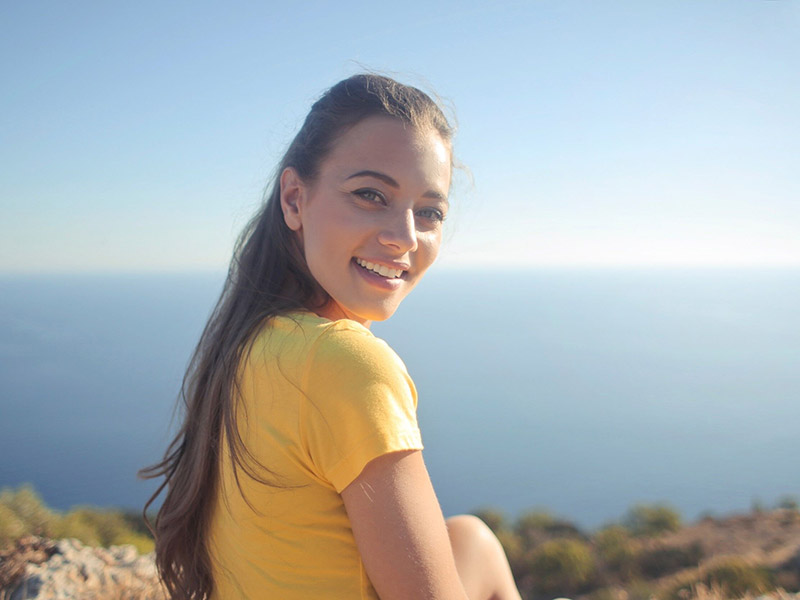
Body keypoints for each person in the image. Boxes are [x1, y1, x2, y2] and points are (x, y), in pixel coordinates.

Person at [141, 73, 521, 600]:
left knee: (472, 539)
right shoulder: (346, 363)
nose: (404, 237)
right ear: (295, 198)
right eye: (370, 195)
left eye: (429, 211)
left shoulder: (253, 341)